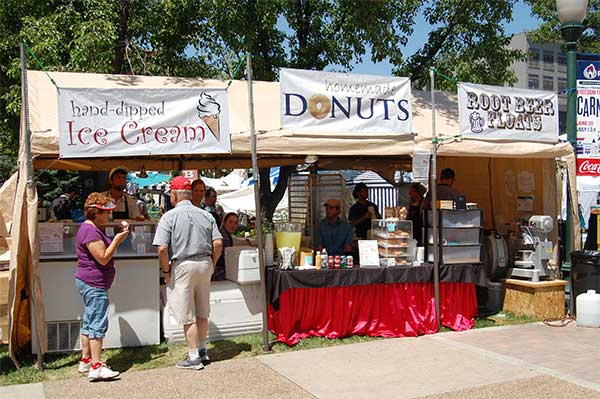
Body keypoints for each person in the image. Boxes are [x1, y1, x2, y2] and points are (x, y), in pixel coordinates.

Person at [153, 176, 223, 370]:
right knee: (202, 310)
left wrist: (166, 270)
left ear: (174, 195)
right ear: (189, 194)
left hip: (183, 265)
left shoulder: (169, 216)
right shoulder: (206, 215)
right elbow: (218, 243)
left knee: (187, 313)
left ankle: (193, 358)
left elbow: (161, 249)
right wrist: (213, 262)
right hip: (204, 263)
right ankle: (203, 350)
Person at [75, 193, 129, 381]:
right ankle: (97, 366)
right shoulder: (91, 231)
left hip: (87, 281)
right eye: (106, 213)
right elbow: (103, 257)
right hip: (94, 283)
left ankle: (86, 360)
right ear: (96, 212)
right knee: (97, 323)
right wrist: (117, 241)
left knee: (89, 320)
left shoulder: (88, 227)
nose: (109, 216)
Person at [214, 212, 240, 281]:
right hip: (216, 270)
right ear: (224, 222)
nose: (233, 225)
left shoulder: (226, 235)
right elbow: (225, 258)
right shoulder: (223, 236)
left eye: (236, 223)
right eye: (230, 222)